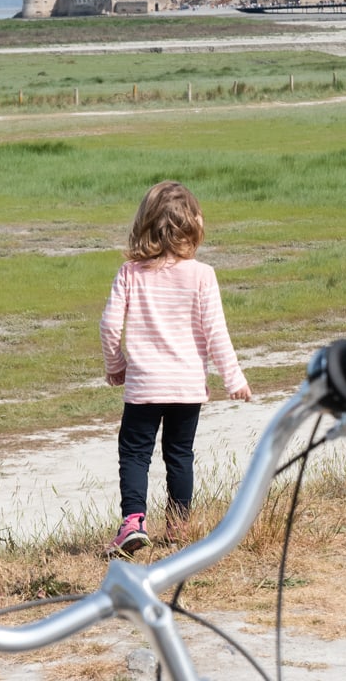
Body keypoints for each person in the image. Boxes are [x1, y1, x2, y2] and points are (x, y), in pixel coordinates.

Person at [100, 180, 252, 555]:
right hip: (186, 386)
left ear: (144, 224)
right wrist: (234, 379)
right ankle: (179, 525)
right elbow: (215, 332)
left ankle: (134, 521)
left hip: (144, 385)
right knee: (180, 453)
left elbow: (107, 324)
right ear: (193, 227)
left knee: (135, 452)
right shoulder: (202, 275)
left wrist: (116, 364)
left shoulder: (130, 273)